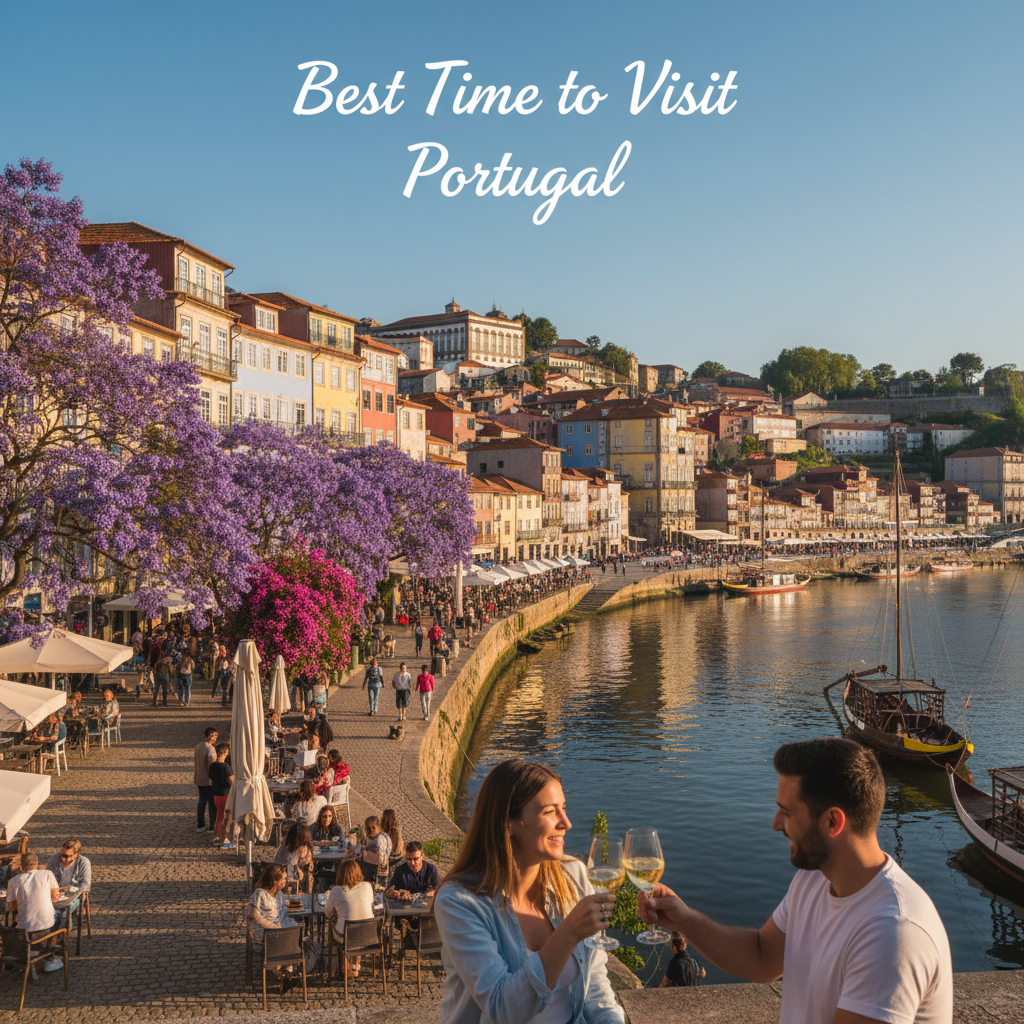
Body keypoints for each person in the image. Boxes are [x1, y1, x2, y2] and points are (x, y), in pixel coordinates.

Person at [638, 737, 953, 1024]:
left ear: (832, 821)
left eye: (786, 813)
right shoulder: (814, 880)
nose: (776, 825)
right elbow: (762, 957)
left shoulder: (892, 934)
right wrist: (686, 919)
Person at [432, 759, 622, 1024]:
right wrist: (568, 934)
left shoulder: (573, 876)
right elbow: (502, 1009)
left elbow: (596, 983)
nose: (566, 823)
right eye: (549, 811)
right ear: (509, 823)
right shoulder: (459, 902)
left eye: (564, 809)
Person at [6, 851, 63, 974]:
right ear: (37, 864)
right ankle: (50, 956)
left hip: (25, 931)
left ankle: (38, 953)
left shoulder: (13, 881)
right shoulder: (47, 874)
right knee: (58, 915)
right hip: (45, 927)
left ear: (21, 866)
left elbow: (11, 908)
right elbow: (55, 897)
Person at [325, 859, 375, 977]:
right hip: (369, 935)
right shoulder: (367, 886)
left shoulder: (336, 890)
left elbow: (328, 914)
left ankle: (345, 968)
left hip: (347, 936)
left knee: (341, 928)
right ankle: (356, 964)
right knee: (358, 923)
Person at [209, 743, 235, 850]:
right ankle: (223, 839)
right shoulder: (226, 767)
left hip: (216, 794)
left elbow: (211, 778)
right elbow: (232, 781)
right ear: (225, 752)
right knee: (225, 818)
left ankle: (216, 837)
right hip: (225, 794)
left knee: (219, 816)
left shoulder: (212, 766)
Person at [275, 823, 314, 891]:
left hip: (275, 872)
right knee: (309, 875)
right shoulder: (297, 849)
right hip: (286, 876)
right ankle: (307, 893)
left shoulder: (285, 845)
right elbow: (304, 863)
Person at [194, 727, 218, 833]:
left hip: (199, 778)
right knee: (211, 803)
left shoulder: (198, 746)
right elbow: (211, 764)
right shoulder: (210, 748)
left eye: (216, 735)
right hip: (208, 780)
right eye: (213, 736)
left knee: (202, 801)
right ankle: (212, 825)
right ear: (208, 736)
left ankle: (200, 824)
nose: (214, 738)